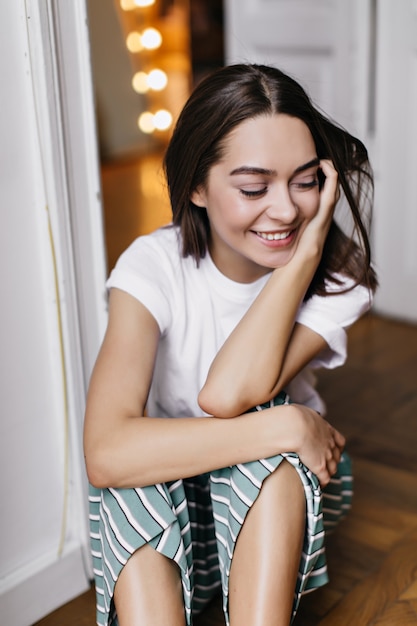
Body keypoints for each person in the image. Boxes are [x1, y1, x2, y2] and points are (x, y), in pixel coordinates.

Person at [84, 63, 377, 626]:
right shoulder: (154, 267)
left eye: (305, 180)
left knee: (268, 426)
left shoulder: (339, 276)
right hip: (172, 512)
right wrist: (289, 423)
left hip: (282, 499)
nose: (287, 210)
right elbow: (106, 453)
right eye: (253, 187)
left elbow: (228, 393)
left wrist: (304, 260)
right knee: (127, 481)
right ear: (196, 185)